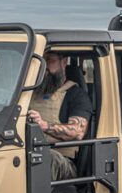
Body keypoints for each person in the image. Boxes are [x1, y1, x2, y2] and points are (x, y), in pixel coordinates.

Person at [26, 51, 92, 180]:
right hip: (29, 151)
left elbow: (78, 131)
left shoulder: (76, 95)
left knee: (47, 157)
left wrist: (44, 126)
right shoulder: (29, 94)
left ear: (64, 62)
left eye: (49, 60)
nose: (43, 67)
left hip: (63, 162)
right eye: (41, 61)